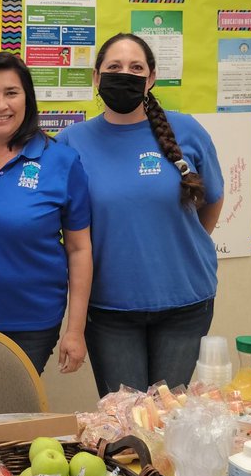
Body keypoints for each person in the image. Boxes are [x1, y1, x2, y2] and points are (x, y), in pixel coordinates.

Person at [58, 32, 224, 395]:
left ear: (151, 78)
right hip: (109, 310)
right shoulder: (72, 141)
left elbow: (212, 198)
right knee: (125, 429)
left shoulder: (187, 130)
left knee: (168, 422)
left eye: (136, 67)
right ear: (96, 78)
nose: (125, 74)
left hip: (186, 302)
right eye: (114, 67)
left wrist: (182, 243)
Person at [0, 52, 92, 375]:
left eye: (11, 93)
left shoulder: (62, 161)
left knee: (10, 418)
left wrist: (75, 331)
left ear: (27, 99)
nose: (0, 105)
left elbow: (79, 249)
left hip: (32, 323)